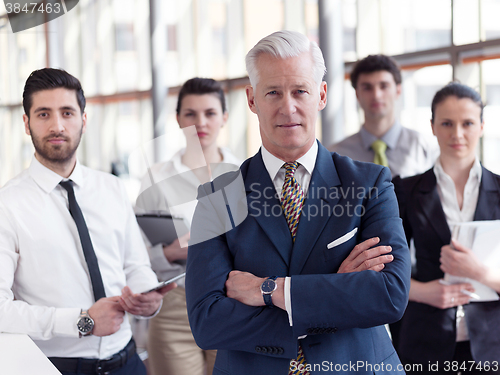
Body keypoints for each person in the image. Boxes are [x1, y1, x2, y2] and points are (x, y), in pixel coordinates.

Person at [185, 31, 411, 375]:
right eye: (273, 92)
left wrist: (270, 289)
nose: (287, 107)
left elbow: (389, 295)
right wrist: (336, 290)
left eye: (300, 91)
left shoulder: (370, 184)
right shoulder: (217, 198)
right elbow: (208, 322)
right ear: (251, 99)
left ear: (320, 95)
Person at [0, 68, 175, 375]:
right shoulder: (8, 204)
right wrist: (83, 321)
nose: (57, 125)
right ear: (26, 124)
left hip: (127, 361)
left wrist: (147, 298)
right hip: (53, 367)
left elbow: (135, 265)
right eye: (43, 114)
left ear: (83, 119)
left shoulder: (111, 188)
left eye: (67, 112)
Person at [135, 78, 240, 375]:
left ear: (225, 118)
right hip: (174, 309)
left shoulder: (245, 174)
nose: (200, 123)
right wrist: (169, 252)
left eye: (210, 113)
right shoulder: (156, 178)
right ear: (178, 119)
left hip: (232, 303)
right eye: (190, 114)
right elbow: (134, 255)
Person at [394, 82, 500, 374]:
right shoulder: (405, 190)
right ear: (432, 126)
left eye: (467, 123)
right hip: (425, 341)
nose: (457, 134)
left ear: (481, 125)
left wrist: (480, 273)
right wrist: (422, 292)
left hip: (492, 343)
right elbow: (383, 270)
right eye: (446, 123)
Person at [330, 54, 439, 178]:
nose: (376, 95)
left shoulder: (426, 149)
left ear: (398, 91)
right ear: (357, 95)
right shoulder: (336, 156)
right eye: (367, 88)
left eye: (384, 86)